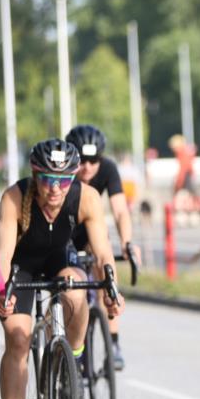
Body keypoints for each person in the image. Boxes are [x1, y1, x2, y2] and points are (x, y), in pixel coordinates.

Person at [0, 139, 124, 399]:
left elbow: (103, 252)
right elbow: (3, 253)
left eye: (63, 180)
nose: (55, 188)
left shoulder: (86, 198)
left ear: (74, 178)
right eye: (48, 179)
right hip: (21, 268)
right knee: (18, 339)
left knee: (76, 292)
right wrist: (1, 289)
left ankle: (72, 361)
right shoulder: (14, 197)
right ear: (35, 176)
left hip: (59, 261)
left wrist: (111, 287)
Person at [65, 125, 140, 370]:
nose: (87, 166)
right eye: (82, 160)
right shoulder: (63, 171)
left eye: (93, 160)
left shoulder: (108, 169)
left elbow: (120, 210)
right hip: (64, 231)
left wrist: (127, 242)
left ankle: (114, 342)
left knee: (104, 267)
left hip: (90, 230)